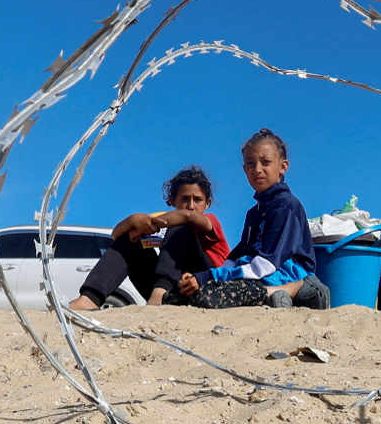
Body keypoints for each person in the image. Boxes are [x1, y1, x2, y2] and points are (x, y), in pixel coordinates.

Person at [178, 128, 329, 309]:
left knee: (208, 297)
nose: (257, 169)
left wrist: (209, 277)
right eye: (251, 164)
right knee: (179, 296)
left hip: (284, 274)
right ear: (244, 169)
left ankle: (295, 291)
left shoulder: (286, 206)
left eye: (265, 162)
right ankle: (277, 298)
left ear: (283, 166)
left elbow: (266, 264)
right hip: (259, 274)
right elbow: (241, 252)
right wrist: (204, 277)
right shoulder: (254, 213)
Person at [68, 166, 229, 310]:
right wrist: (133, 220)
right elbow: (116, 235)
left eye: (198, 200)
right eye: (185, 199)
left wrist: (151, 222)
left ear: (207, 203)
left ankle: (160, 293)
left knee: (182, 224)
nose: (191, 205)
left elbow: (187, 216)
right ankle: (90, 298)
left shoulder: (209, 221)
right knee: (131, 240)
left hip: (208, 286)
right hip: (177, 290)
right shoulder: (164, 223)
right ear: (172, 200)